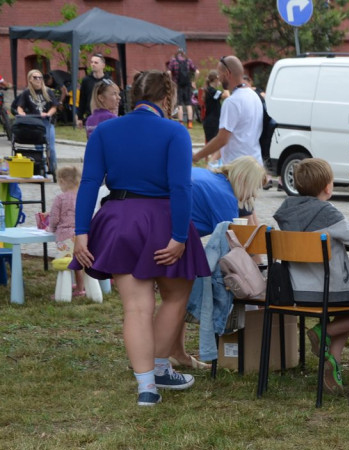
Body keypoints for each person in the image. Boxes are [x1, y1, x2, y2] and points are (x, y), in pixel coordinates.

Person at [71, 70, 210, 407]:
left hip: (119, 219)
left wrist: (80, 233)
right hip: (163, 219)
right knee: (176, 295)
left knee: (136, 307)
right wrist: (179, 235)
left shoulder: (103, 130)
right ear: (167, 98)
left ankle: (147, 388)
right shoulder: (175, 132)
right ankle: (160, 366)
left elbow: (89, 183)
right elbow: (181, 186)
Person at [273, 158, 349, 393]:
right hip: (330, 290)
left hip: (297, 291)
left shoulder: (287, 212)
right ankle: (323, 332)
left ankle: (332, 363)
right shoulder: (327, 212)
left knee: (348, 309)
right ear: (328, 187)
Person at [170, 156, 266, 371]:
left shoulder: (211, 176)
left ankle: (176, 352)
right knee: (176, 299)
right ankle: (159, 355)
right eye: (253, 188)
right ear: (242, 179)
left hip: (169, 230)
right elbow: (232, 247)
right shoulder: (224, 196)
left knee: (176, 297)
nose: (252, 196)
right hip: (173, 237)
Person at [193, 56, 263, 166]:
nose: (219, 79)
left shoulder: (232, 102)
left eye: (219, 74)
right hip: (255, 164)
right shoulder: (254, 96)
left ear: (227, 73)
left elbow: (222, 139)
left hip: (237, 168)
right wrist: (212, 161)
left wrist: (196, 157)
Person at [42, 166, 84, 295]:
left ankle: (63, 292)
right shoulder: (82, 196)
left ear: (62, 181)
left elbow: (54, 218)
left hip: (65, 236)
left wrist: (51, 228)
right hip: (82, 235)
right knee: (80, 263)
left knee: (64, 264)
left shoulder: (60, 198)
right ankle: (80, 288)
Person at [14, 69, 59, 176]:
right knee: (39, 147)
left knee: (50, 147)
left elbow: (54, 107)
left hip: (47, 122)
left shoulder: (48, 91)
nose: (38, 80)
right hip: (35, 124)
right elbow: (20, 107)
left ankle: (53, 168)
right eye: (35, 77)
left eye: (40, 77)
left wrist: (48, 114)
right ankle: (41, 168)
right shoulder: (26, 93)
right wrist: (22, 113)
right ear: (30, 79)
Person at [167, 49, 197, 128]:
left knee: (179, 104)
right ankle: (190, 123)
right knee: (188, 103)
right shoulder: (188, 61)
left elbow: (169, 72)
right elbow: (197, 72)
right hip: (187, 85)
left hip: (177, 85)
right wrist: (194, 81)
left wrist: (171, 81)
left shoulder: (173, 61)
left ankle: (181, 122)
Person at [201, 71, 226, 167]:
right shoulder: (212, 91)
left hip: (212, 120)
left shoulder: (211, 90)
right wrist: (225, 87)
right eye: (219, 79)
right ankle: (211, 164)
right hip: (212, 121)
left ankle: (211, 162)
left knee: (212, 143)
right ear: (216, 79)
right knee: (214, 144)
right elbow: (225, 95)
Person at [77, 54, 106, 125]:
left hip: (105, 114)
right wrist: (80, 117)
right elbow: (82, 99)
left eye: (96, 63)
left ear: (103, 65)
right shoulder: (86, 80)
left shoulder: (107, 80)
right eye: (92, 62)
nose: (93, 64)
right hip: (91, 115)